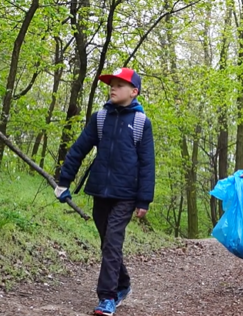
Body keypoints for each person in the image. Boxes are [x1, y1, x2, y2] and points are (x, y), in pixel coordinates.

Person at [54, 67, 155, 315]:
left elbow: (147, 163)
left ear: (134, 91)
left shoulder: (141, 122)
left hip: (126, 195)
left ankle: (107, 297)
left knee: (112, 243)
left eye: (119, 85)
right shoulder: (100, 118)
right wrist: (63, 182)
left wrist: (144, 199)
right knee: (107, 243)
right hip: (100, 191)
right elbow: (79, 149)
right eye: (111, 84)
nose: (113, 87)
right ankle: (123, 283)